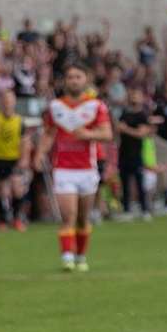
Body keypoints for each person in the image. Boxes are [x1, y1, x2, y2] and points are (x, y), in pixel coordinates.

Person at [45, 64, 112, 272]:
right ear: (65, 81)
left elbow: (107, 134)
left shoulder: (96, 106)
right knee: (68, 215)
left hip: (87, 169)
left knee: (83, 218)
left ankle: (81, 256)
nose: (74, 80)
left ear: (86, 79)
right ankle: (67, 258)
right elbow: (49, 133)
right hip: (63, 169)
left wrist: (88, 135)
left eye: (78, 76)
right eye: (70, 77)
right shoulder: (55, 107)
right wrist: (39, 153)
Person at [114, 86, 158, 221]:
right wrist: (126, 130)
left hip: (137, 154)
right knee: (125, 184)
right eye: (132, 95)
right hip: (123, 153)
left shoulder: (143, 116)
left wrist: (126, 129)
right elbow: (118, 130)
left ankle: (145, 210)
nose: (134, 98)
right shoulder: (124, 114)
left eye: (137, 95)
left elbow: (141, 134)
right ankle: (126, 210)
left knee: (140, 183)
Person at [0, 89, 25, 230]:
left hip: (13, 158)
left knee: (17, 188)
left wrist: (23, 159)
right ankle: (2, 219)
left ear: (14, 102)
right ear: (1, 102)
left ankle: (17, 218)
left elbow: (24, 141)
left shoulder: (19, 121)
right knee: (1, 190)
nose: (8, 103)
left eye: (10, 100)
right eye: (5, 100)